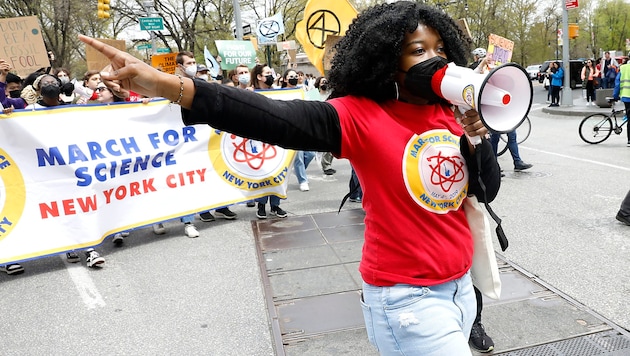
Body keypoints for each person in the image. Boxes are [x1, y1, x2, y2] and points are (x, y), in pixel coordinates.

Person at [80, 1, 501, 353]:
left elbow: (488, 190)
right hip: (409, 298)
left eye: (440, 48)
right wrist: (173, 85)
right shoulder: (359, 115)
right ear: (388, 61)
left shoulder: (450, 116)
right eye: (417, 50)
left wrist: (476, 140)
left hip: (461, 287)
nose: (435, 58)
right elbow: (272, 118)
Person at [314, 76, 336, 175]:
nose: (325, 84)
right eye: (323, 82)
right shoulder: (314, 95)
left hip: (330, 122)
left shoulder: (331, 95)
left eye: (326, 82)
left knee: (331, 144)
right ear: (318, 84)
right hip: (318, 122)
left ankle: (327, 165)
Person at [613, 59, 630, 146]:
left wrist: (615, 96)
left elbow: (617, 84)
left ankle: (629, 140)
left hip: (626, 97)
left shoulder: (623, 68)